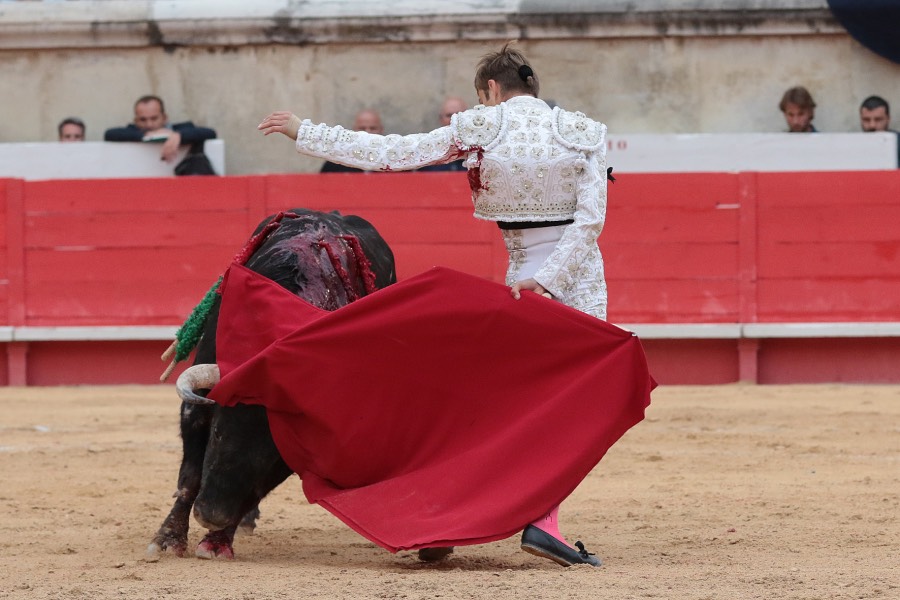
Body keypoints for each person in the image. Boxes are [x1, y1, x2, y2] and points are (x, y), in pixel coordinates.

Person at [259, 43, 615, 568]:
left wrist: (306, 132)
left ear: (491, 91)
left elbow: (393, 153)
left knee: (500, 403)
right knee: (569, 408)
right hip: (577, 278)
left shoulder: (480, 127)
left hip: (524, 276)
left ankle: (447, 517)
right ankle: (539, 523)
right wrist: (552, 278)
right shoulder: (585, 131)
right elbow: (589, 222)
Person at [104, 95, 217, 162]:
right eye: (143, 120)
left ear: (164, 118)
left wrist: (178, 136)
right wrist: (146, 136)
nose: (149, 124)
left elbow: (210, 133)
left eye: (154, 119)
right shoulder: (132, 131)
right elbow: (109, 134)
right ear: (136, 121)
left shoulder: (181, 129)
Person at [320, 109, 384, 173]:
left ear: (381, 130)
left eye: (373, 128)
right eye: (362, 128)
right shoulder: (337, 160)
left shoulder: (392, 161)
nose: (367, 133)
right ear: (354, 130)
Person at [418, 97, 468, 172]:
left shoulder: (478, 149)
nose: (453, 119)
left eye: (458, 115)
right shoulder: (428, 151)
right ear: (441, 119)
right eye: (449, 115)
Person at [859, 95, 899, 167]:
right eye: (866, 120)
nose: (872, 125)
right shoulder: (854, 145)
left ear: (888, 119)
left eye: (878, 119)